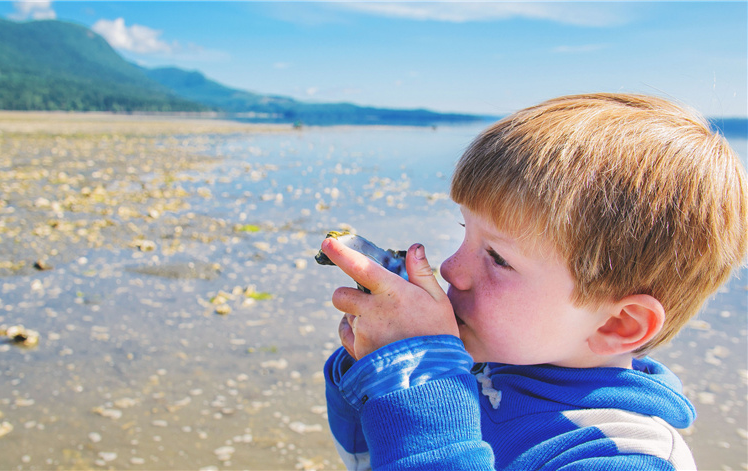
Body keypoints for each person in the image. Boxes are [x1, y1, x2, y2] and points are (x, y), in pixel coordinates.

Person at [319, 93, 747, 471]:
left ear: (619, 325)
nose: (450, 268)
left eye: (498, 257)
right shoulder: (488, 363)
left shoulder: (625, 457)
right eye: (465, 231)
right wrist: (373, 369)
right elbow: (365, 457)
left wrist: (421, 381)